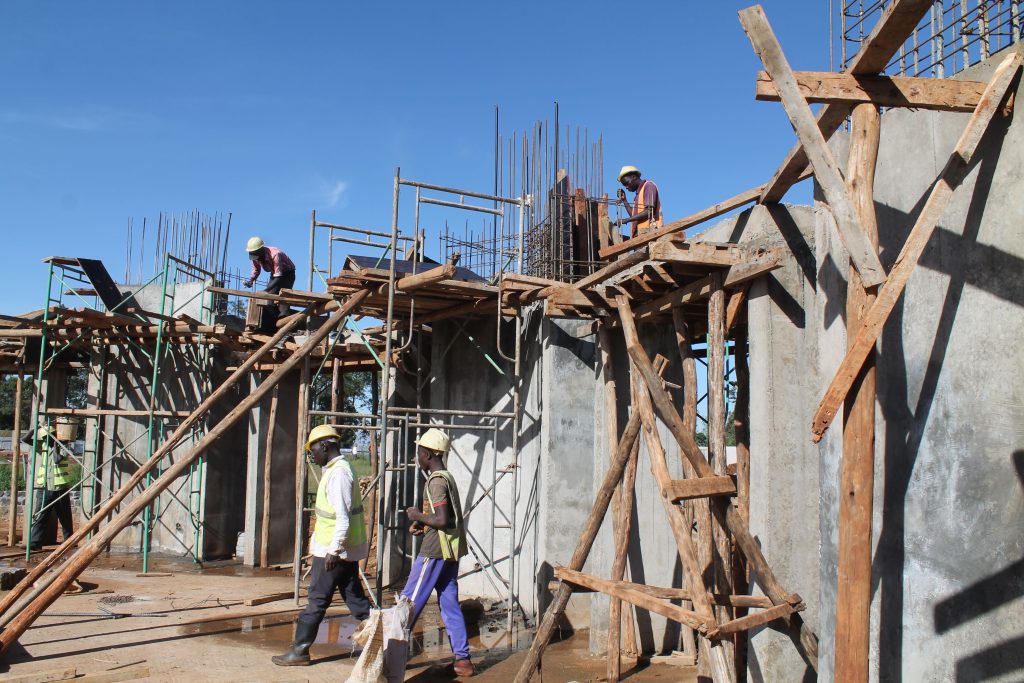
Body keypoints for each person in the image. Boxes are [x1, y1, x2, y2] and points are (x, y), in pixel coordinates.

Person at [273, 425, 371, 667]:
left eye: (313, 449)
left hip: (333, 552)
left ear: (325, 445)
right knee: (356, 600)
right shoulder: (338, 470)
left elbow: (343, 517)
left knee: (316, 599)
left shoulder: (338, 474)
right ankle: (384, 641)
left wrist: (334, 549)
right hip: (341, 550)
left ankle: (300, 651)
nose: (312, 455)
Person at [403, 428, 474, 678]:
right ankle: (463, 661)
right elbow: (445, 517)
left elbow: (443, 519)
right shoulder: (447, 477)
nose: (417, 456)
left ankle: (390, 657)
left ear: (430, 454)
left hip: (435, 552)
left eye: (420, 452)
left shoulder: (435, 481)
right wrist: (423, 524)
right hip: (450, 552)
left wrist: (417, 515)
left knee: (408, 603)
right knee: (449, 604)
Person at [26, 424, 74, 551]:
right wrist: (35, 429)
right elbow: (25, 440)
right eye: (45, 437)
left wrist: (56, 445)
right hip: (44, 487)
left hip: (60, 488)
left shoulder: (64, 446)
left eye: (49, 437)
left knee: (64, 517)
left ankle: (69, 542)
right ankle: (35, 542)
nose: (46, 440)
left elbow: (57, 459)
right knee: (41, 515)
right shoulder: (43, 447)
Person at [243, 236, 296, 317]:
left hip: (288, 273)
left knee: (283, 294)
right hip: (275, 274)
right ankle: (272, 316)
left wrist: (265, 290)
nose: (255, 258)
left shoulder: (275, 254)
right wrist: (251, 280)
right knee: (269, 297)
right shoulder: (255, 256)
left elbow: (279, 276)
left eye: (255, 254)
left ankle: (284, 315)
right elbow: (256, 270)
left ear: (261, 250)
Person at [612, 165, 664, 239]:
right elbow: (634, 216)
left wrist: (626, 220)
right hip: (641, 236)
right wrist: (624, 200)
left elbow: (649, 211)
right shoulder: (638, 195)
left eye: (627, 183)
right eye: (624, 185)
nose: (626, 187)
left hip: (651, 234)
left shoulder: (648, 186)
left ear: (634, 177)